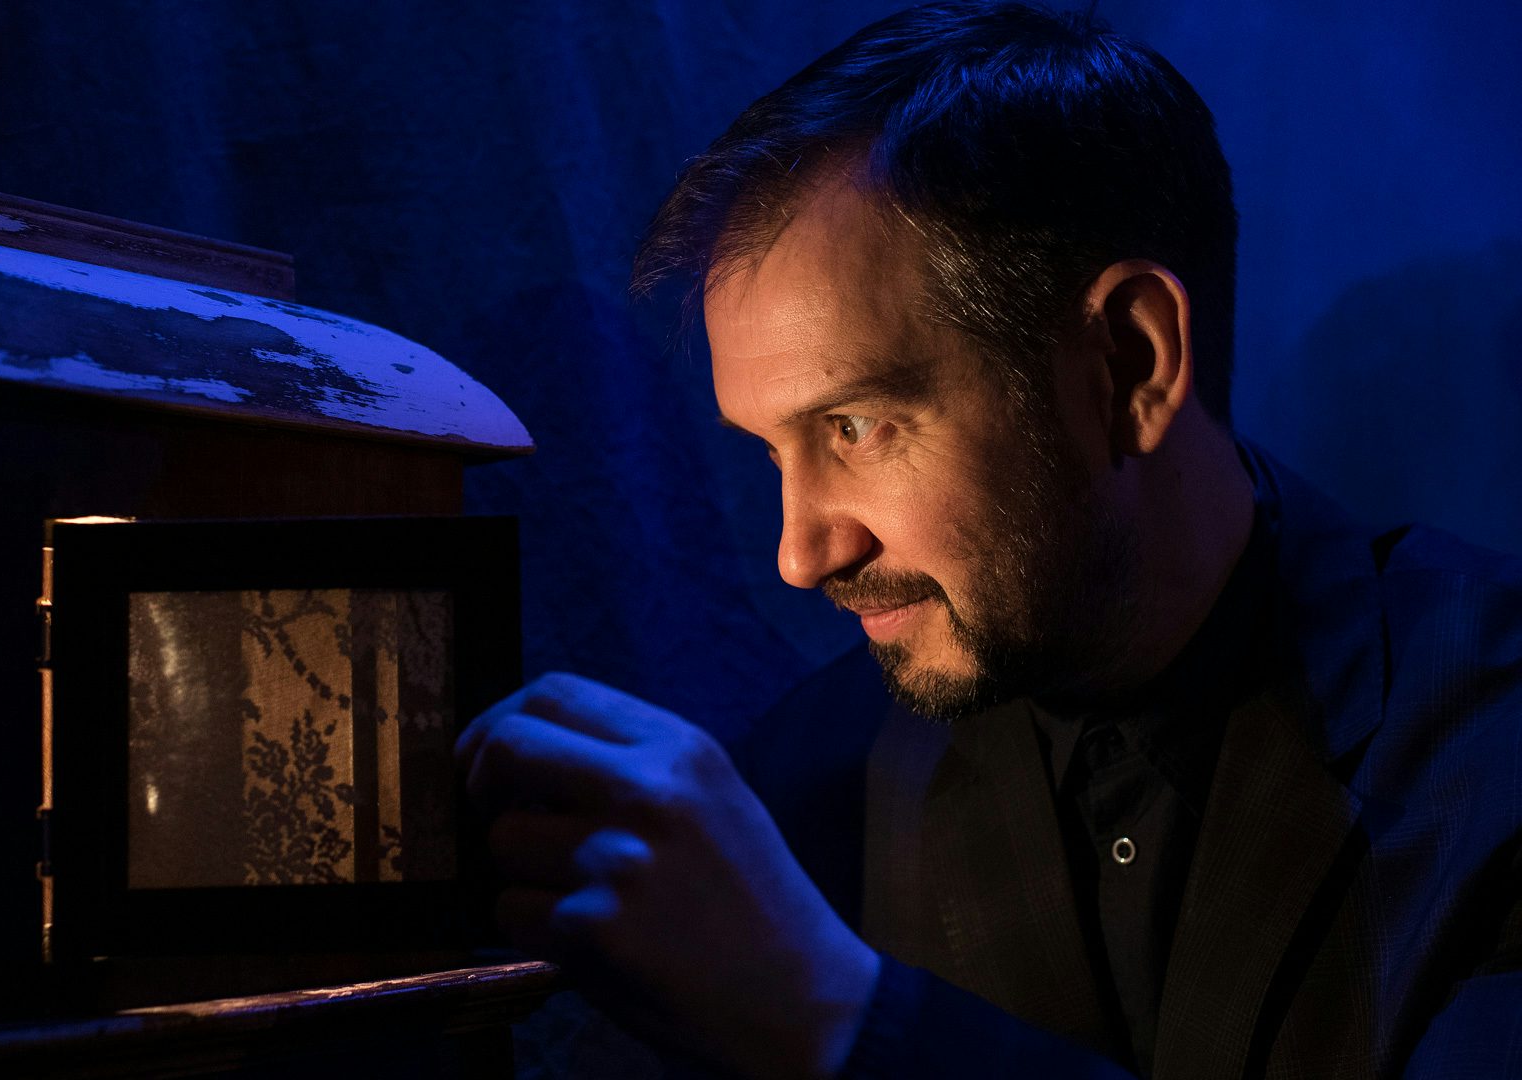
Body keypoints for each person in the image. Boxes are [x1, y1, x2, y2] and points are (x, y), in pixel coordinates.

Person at [454, 3, 1522, 1077]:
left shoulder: (1496, 746)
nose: (801, 553)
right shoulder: (804, 783)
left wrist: (834, 1013)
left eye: (856, 426)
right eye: (771, 454)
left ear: (1131, 362)